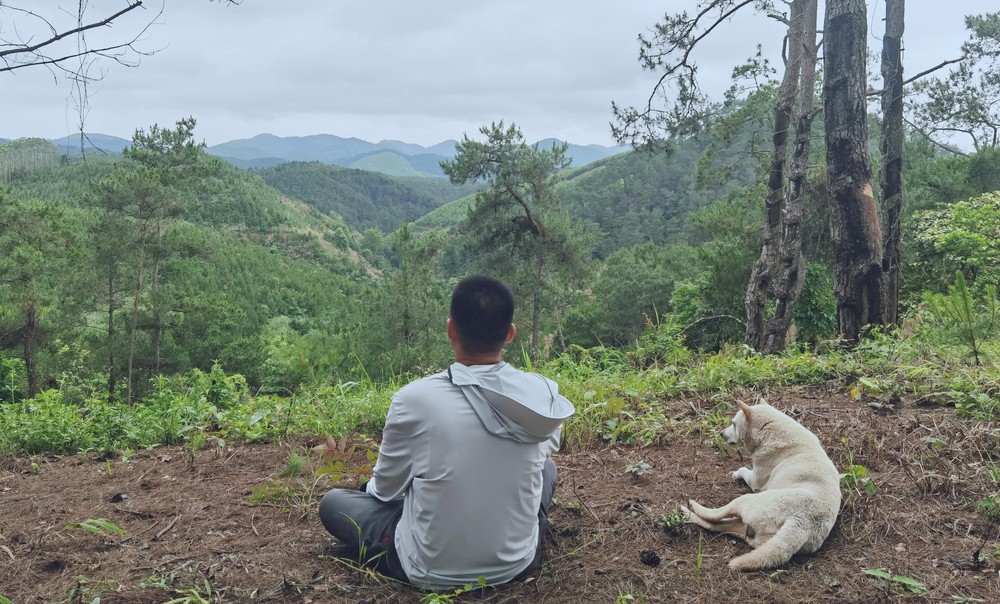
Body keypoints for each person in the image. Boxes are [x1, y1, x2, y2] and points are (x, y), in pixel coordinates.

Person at [319, 275, 574, 590]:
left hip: (427, 569)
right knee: (547, 467)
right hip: (519, 562)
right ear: (510, 334)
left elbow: (385, 491)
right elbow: (540, 455)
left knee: (332, 502)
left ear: (450, 328)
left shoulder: (414, 399)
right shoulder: (543, 394)